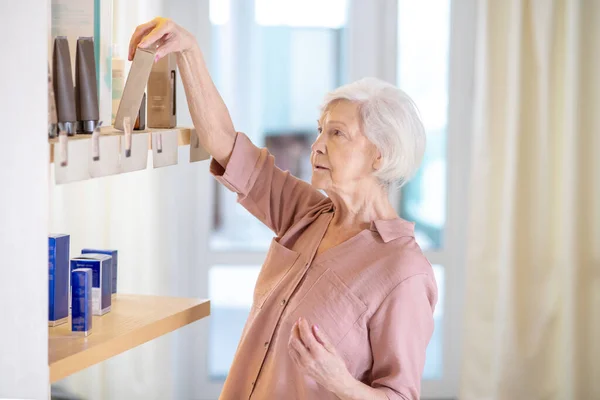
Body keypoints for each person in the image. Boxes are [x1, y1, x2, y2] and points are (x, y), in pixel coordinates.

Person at [129, 17, 438, 400]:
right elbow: (224, 143)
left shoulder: (402, 270)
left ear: (379, 155)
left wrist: (338, 382)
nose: (317, 146)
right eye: (320, 130)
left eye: (337, 133)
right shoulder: (306, 213)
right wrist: (188, 52)